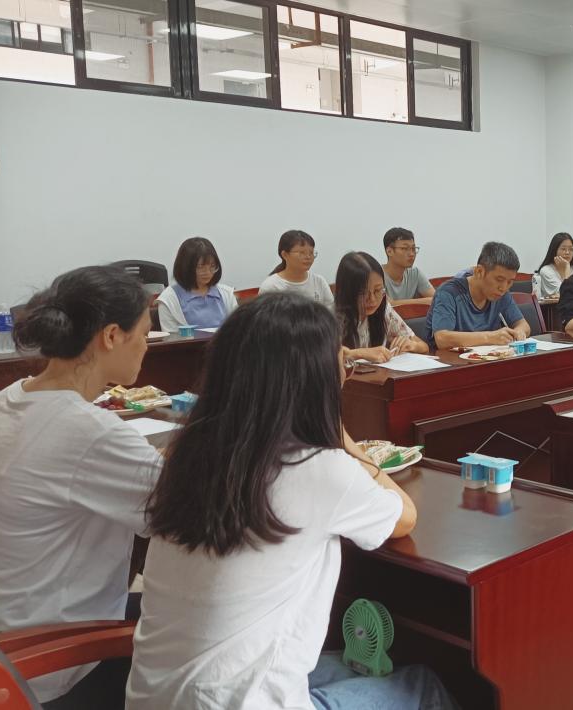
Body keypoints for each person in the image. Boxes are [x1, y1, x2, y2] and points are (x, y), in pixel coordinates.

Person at [126, 293, 456, 710]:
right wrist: (339, 435)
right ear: (312, 381)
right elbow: (404, 517)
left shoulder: (185, 455)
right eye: (340, 364)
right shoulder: (317, 467)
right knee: (422, 684)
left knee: (353, 662)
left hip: (154, 697)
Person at [0, 266, 162, 709]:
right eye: (144, 333)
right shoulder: (92, 433)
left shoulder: (8, 399)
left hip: (9, 635)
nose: (147, 345)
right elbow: (184, 511)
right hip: (50, 664)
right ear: (111, 336)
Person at [425, 241, 530, 349]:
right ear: (479, 271)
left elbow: (523, 325)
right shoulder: (448, 292)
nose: (503, 288)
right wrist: (489, 337)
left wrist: (519, 332)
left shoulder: (501, 294)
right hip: (447, 358)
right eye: (499, 279)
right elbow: (442, 339)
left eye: (510, 282)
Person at [335, 251, 429, 364]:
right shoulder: (332, 318)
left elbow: (424, 346)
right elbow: (325, 360)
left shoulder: (384, 310)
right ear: (347, 292)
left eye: (377, 290)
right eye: (363, 293)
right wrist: (359, 353)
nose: (372, 299)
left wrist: (412, 345)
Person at [155, 237, 239, 331]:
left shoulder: (226, 294)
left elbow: (238, 329)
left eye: (212, 266)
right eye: (200, 267)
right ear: (185, 267)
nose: (207, 272)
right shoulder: (168, 299)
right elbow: (170, 338)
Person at [259, 229, 333, 306]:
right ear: (284, 255)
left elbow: (330, 309)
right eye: (302, 253)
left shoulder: (319, 281)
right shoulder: (271, 286)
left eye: (311, 253)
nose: (308, 257)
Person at [381, 227, 436, 306]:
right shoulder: (377, 275)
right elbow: (388, 305)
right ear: (389, 251)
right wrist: (424, 301)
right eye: (405, 248)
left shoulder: (415, 273)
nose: (411, 254)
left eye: (413, 248)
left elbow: (437, 299)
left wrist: (396, 303)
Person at [534, 232, 573, 300]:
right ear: (554, 250)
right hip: (553, 306)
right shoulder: (546, 271)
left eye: (571, 249)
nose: (567, 252)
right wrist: (565, 269)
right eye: (563, 249)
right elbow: (567, 293)